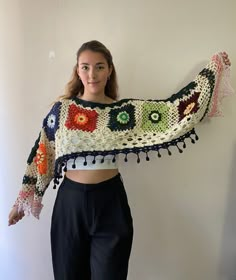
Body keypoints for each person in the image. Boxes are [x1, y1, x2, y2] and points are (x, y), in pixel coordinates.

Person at [8, 40, 232, 280]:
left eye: (99, 66)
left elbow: (170, 113)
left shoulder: (123, 113)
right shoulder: (62, 112)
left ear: (109, 70)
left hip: (110, 203)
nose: (92, 74)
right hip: (69, 205)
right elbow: (42, 153)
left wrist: (212, 73)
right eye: (85, 67)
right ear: (77, 70)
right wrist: (24, 197)